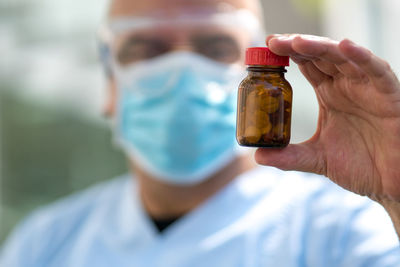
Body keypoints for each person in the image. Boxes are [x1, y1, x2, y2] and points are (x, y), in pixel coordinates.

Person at [1, 0, 400, 266]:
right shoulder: (44, 245)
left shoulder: (345, 231)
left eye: (214, 46)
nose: (182, 73)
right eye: (147, 49)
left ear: (253, 62)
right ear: (109, 85)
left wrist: (396, 194)